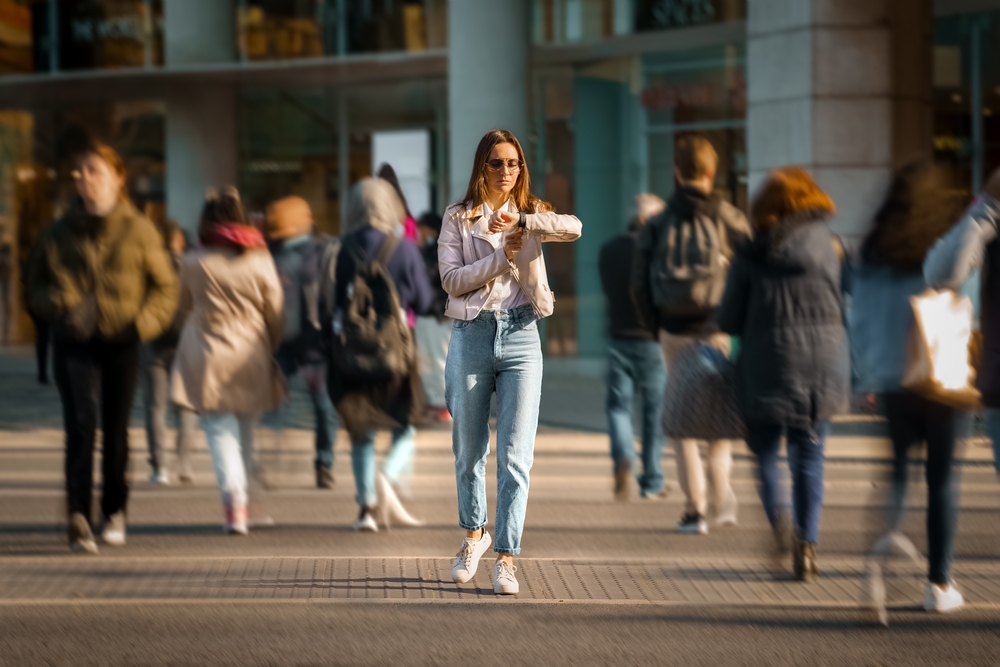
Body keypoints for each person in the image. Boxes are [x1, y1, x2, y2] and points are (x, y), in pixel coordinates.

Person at [440, 128, 581, 595]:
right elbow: (451, 280)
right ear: (482, 167)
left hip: (522, 336)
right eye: (498, 163)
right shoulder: (458, 218)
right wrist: (502, 258)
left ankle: (506, 557)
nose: (507, 171)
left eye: (514, 163)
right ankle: (473, 536)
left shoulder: (531, 212)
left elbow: (575, 227)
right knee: (469, 451)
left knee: (517, 457)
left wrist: (523, 223)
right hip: (472, 335)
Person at [26, 139, 178, 554]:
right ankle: (78, 516)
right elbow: (33, 284)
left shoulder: (139, 230)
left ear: (117, 179)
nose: (85, 179)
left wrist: (141, 324)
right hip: (73, 340)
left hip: (121, 341)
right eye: (81, 172)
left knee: (114, 429)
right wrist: (57, 305)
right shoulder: (57, 232)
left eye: (94, 171)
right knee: (79, 423)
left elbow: (166, 288)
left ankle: (114, 511)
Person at [717, 166, 848, 582]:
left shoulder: (751, 253)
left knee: (766, 456)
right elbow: (846, 303)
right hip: (824, 365)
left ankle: (781, 528)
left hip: (766, 364)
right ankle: (807, 547)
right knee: (810, 457)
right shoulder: (834, 246)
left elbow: (728, 318)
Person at [631, 136, 750, 534]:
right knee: (718, 415)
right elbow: (751, 270)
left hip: (674, 332)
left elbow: (638, 282)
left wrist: (655, 325)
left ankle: (694, 510)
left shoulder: (659, 222)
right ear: (712, 172)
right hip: (718, 330)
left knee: (682, 421)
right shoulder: (729, 217)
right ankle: (722, 497)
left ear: (677, 173)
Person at [171, 187, 285, 535]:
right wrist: (271, 343)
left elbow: (180, 308)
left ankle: (234, 502)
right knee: (246, 427)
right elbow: (276, 311)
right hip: (250, 351)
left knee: (219, 429)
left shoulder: (193, 261)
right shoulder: (260, 259)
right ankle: (246, 498)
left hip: (207, 353)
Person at [328, 178, 433, 533]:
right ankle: (387, 476)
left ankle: (366, 510)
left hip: (353, 355)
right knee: (405, 425)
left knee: (362, 433)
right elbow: (423, 299)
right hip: (396, 356)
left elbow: (334, 302)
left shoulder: (342, 249)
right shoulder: (403, 249)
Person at [919, 167, 1000, 608]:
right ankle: (939, 580)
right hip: (961, 371)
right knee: (940, 473)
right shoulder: (983, 230)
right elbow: (943, 273)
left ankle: (939, 580)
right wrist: (985, 210)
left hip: (951, 369)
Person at [265, 196, 341, 489]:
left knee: (322, 404)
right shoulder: (273, 253)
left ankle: (323, 462)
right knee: (295, 402)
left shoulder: (322, 250)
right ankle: (275, 460)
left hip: (312, 342)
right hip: (286, 341)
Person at [600, 194, 668, 500]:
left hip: (618, 337)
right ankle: (652, 481)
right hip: (652, 341)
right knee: (654, 413)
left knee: (618, 407)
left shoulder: (609, 250)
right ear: (647, 220)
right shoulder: (657, 252)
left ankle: (624, 455)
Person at [141, 221, 199, 485]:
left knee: (156, 406)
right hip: (185, 342)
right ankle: (184, 464)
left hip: (152, 340)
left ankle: (159, 468)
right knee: (186, 404)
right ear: (180, 241)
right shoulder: (191, 266)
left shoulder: (146, 265)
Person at [415, 211, 452, 422]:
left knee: (439, 359)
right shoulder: (428, 250)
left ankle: (442, 404)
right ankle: (434, 401)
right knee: (427, 360)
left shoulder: (442, 251)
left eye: (423, 229)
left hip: (439, 314)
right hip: (428, 313)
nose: (420, 233)